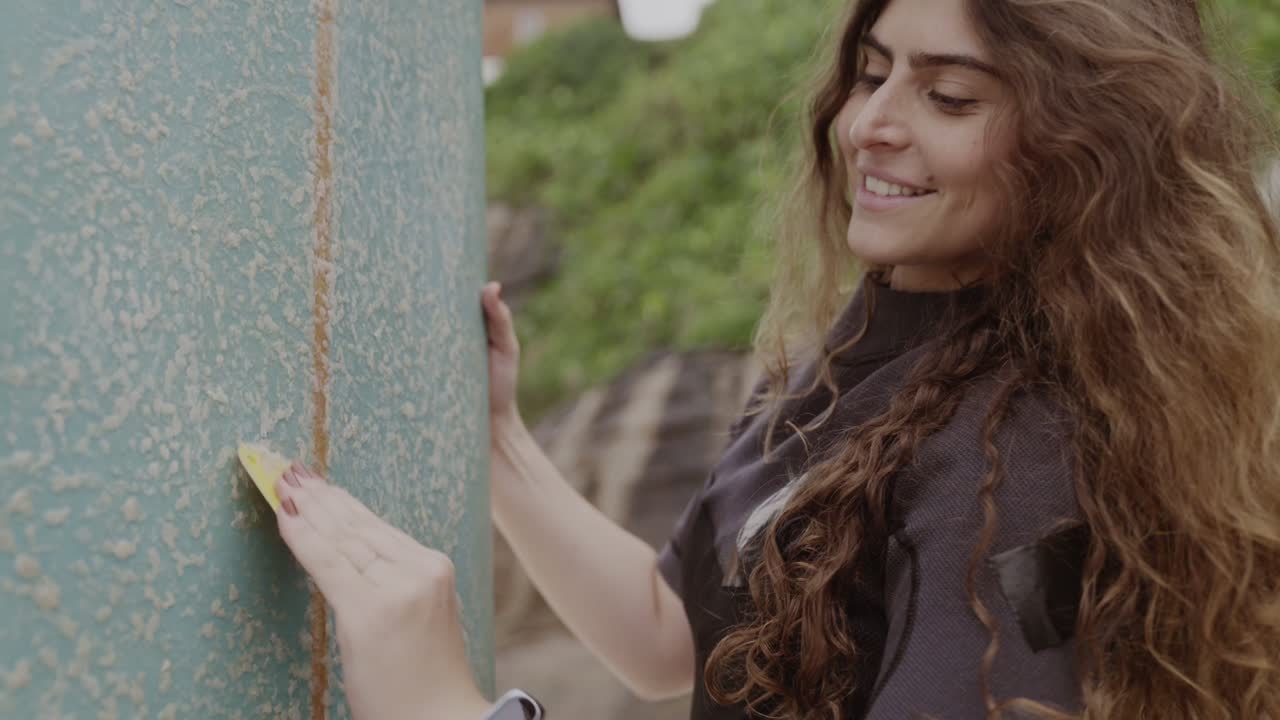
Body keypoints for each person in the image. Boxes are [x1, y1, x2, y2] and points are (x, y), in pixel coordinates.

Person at [272, 0, 1280, 717]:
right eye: (874, 71)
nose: (870, 125)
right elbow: (675, 639)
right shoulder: (851, 358)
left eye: (950, 98)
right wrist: (500, 445)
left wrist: (444, 706)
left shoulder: (1024, 455)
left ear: (1081, 147)